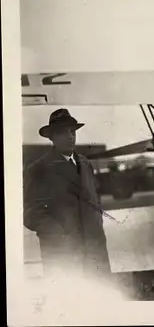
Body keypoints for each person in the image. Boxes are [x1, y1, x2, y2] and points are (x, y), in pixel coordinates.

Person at [23, 108, 111, 286]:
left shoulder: (86, 164)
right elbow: (31, 213)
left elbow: (94, 201)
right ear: (52, 138)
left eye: (73, 131)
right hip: (62, 254)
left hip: (95, 253)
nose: (70, 136)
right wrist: (58, 235)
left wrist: (97, 226)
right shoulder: (38, 169)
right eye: (63, 132)